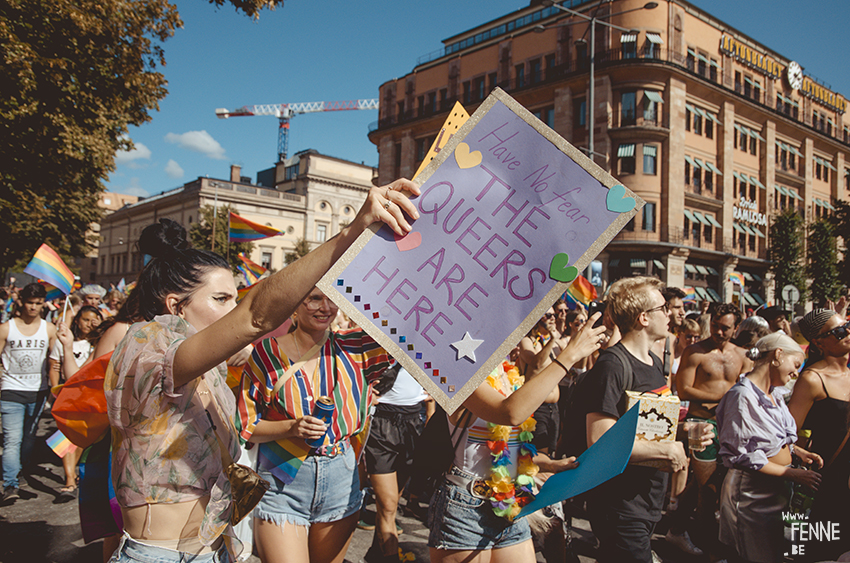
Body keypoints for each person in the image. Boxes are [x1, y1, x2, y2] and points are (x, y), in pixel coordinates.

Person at [104, 178, 419, 563]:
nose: (231, 311)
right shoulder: (148, 352)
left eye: (233, 299)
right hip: (160, 556)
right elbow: (256, 316)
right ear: (175, 306)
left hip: (213, 549)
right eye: (221, 299)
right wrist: (353, 231)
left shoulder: (211, 368)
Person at [428, 311, 607, 563]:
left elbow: (510, 446)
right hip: (466, 506)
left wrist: (550, 465)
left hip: (511, 503)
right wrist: (569, 355)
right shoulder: (461, 371)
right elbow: (510, 413)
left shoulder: (506, 373)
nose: (519, 335)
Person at [237, 286, 393, 563]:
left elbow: (405, 333)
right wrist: (291, 428)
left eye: (331, 299)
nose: (325, 307)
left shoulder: (356, 346)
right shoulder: (267, 353)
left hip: (341, 477)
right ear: (294, 306)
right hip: (284, 477)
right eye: (314, 299)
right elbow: (247, 426)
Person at [580, 277, 692, 563]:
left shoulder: (654, 363)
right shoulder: (612, 365)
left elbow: (653, 427)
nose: (669, 314)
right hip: (619, 505)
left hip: (648, 501)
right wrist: (664, 451)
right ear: (643, 318)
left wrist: (688, 432)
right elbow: (600, 440)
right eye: (663, 308)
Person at [716, 333, 823, 563]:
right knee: (753, 555)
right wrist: (792, 474)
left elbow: (772, 440)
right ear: (777, 355)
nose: (796, 373)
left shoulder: (774, 393)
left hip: (775, 491)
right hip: (750, 495)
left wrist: (797, 452)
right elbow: (741, 455)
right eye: (795, 365)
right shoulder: (742, 396)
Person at [788, 309, 850, 561]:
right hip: (829, 480)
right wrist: (799, 454)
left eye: (846, 326)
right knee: (824, 551)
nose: (847, 333)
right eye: (838, 332)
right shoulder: (813, 379)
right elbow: (786, 433)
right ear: (818, 342)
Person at [362, 366, 429, 563]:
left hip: (413, 421)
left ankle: (375, 555)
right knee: (389, 505)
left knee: (388, 505)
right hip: (381, 420)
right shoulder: (378, 336)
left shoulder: (424, 340)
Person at [0, 282, 57, 504]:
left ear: (43, 304)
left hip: (38, 391)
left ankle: (21, 472)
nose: (33, 307)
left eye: (38, 303)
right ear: (21, 302)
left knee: (29, 440)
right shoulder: (7, 328)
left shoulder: (49, 329)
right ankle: (10, 484)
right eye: (30, 303)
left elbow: (54, 362)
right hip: (11, 391)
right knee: (12, 440)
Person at [49, 304, 103, 498]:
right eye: (85, 319)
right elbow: (57, 368)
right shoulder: (64, 342)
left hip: (91, 397)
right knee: (66, 437)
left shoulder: (100, 343)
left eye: (93, 320)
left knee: (81, 437)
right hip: (70, 393)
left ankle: (77, 474)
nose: (89, 324)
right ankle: (69, 479)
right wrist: (55, 391)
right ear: (77, 321)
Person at [517, 308, 564, 455]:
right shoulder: (526, 341)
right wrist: (553, 340)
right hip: (537, 408)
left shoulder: (546, 342)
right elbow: (535, 363)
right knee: (541, 454)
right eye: (548, 315)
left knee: (552, 453)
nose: (552, 319)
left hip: (554, 409)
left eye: (554, 315)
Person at [650, 287, 687, 390]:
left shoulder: (671, 339)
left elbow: (668, 377)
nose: (682, 312)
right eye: (677, 307)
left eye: (682, 308)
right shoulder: (648, 335)